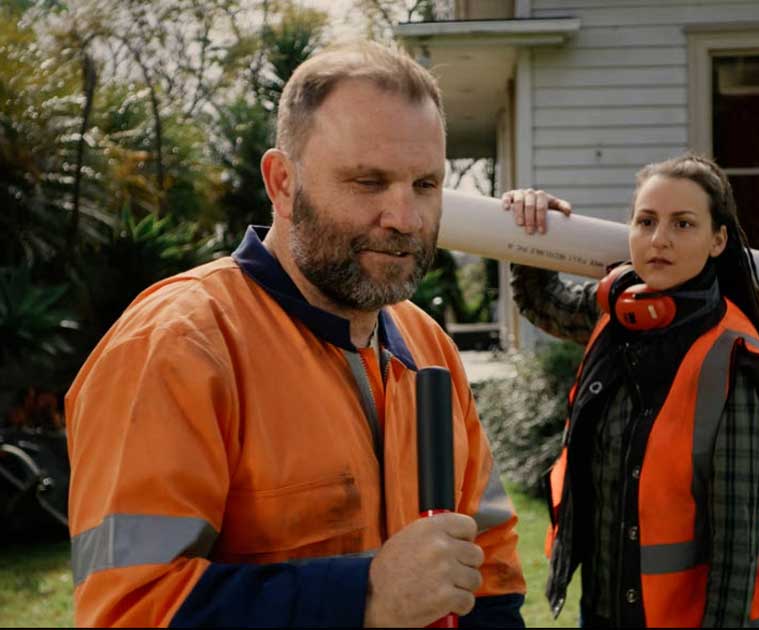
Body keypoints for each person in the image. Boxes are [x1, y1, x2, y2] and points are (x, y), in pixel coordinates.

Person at [65, 41, 525, 628]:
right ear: (282, 182)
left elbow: (488, 567)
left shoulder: (427, 343)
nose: (404, 218)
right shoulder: (177, 347)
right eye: (368, 182)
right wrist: (363, 595)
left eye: (426, 186)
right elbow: (128, 610)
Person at [502, 153, 759, 628]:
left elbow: (736, 556)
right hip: (604, 610)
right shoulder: (620, 311)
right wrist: (532, 220)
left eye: (683, 224)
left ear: (718, 241)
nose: (659, 240)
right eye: (645, 221)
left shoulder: (734, 362)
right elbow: (545, 302)